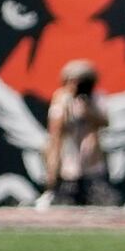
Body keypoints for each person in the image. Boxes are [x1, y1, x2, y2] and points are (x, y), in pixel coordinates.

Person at [41, 60, 117, 207]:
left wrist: (88, 110)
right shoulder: (61, 98)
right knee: (64, 199)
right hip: (68, 155)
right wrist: (53, 169)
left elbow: (104, 122)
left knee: (98, 198)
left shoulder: (96, 98)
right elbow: (55, 132)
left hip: (91, 158)